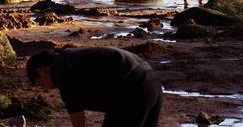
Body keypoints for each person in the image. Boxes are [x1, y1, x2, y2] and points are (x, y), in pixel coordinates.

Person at [27, 47, 163, 127]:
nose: (46, 87)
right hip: (153, 82)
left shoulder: (61, 70)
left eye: (41, 83)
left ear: (41, 70)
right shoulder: (69, 58)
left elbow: (77, 118)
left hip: (132, 88)